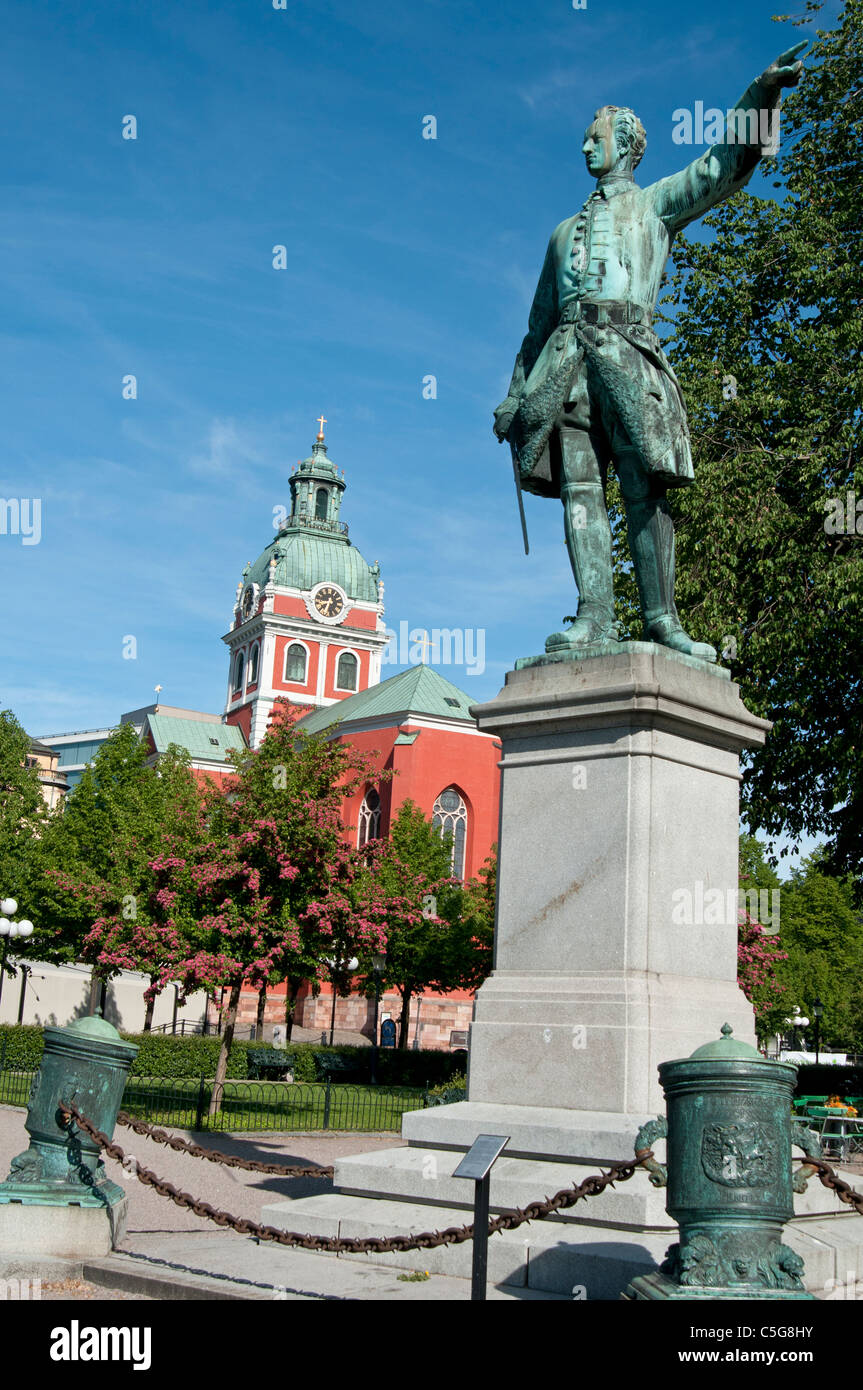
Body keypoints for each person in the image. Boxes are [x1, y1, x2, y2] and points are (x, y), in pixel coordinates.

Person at [493, 44, 806, 660]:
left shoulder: (655, 203)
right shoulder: (561, 233)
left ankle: (661, 618)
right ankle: (593, 617)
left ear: (628, 146)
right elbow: (536, 326)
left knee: (642, 486)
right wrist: (513, 394)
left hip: (627, 355)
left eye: (595, 138)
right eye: (585, 139)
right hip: (564, 366)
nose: (585, 147)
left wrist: (761, 95)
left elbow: (722, 166)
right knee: (580, 489)